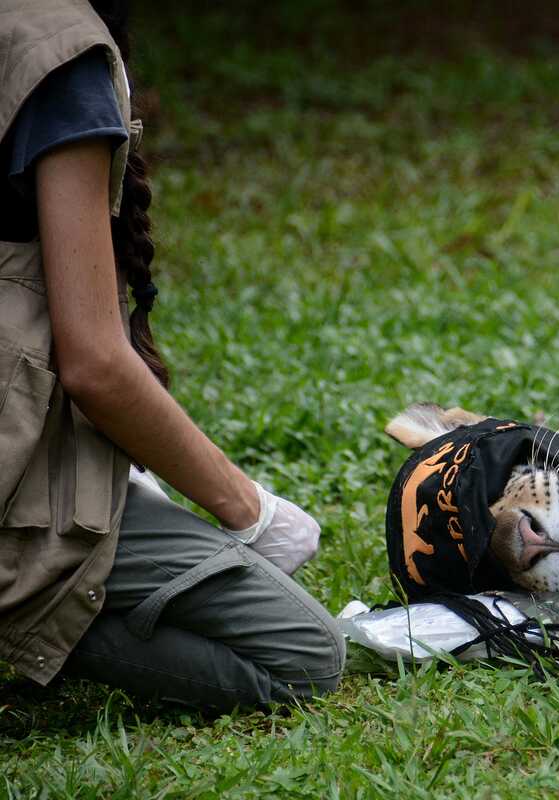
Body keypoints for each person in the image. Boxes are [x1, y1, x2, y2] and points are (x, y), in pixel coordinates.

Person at [0, 0, 344, 711]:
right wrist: (253, 512)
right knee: (306, 656)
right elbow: (94, 362)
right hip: (14, 483)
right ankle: (30, 620)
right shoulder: (57, 57)